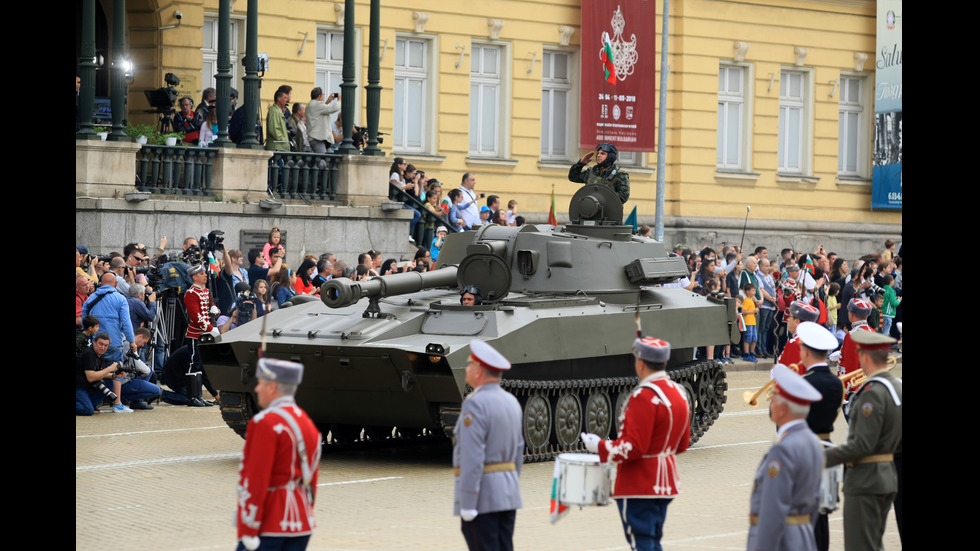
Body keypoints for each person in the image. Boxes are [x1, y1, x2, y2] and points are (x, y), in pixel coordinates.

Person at [581, 336, 690, 551]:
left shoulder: (644, 396)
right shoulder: (678, 392)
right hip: (665, 482)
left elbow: (633, 447)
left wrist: (599, 446)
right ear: (665, 363)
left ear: (640, 363)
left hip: (640, 483)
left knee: (641, 544)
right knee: (652, 542)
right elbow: (682, 444)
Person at [825, 330, 902, 551]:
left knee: (860, 545)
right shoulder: (896, 386)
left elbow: (862, 445)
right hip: (887, 475)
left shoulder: (872, 392)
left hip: (866, 480)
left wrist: (820, 457)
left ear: (865, 357)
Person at [237, 358, 322, 551]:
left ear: (272, 386)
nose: (257, 389)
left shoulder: (265, 423)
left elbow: (256, 478)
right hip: (302, 520)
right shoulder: (307, 422)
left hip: (269, 522)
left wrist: (248, 527)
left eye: (260, 383)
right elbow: (312, 478)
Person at [453, 340, 523, 551]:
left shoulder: (475, 404)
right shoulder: (511, 401)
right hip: (508, 494)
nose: (466, 369)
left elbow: (472, 456)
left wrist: (467, 501)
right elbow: (518, 452)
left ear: (478, 371)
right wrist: (510, 486)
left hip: (483, 497)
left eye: (469, 365)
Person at [746, 364, 824, 551]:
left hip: (782, 541)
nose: (770, 405)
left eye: (773, 400)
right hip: (803, 536)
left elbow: (773, 509)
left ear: (782, 408)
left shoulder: (782, 450)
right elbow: (815, 501)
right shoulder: (813, 442)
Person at [794, 322, 844, 551]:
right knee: (823, 515)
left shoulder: (804, 384)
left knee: (805, 518)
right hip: (827, 449)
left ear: (805, 352)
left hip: (805, 453)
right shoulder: (836, 383)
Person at [82, 272, 137, 365]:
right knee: (116, 374)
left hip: (95, 344)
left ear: (101, 284)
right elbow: (126, 322)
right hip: (114, 343)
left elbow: (84, 322)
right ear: (116, 284)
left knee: (96, 374)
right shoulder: (121, 299)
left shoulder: (90, 298)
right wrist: (131, 341)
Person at [184, 265, 220, 393]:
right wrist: (210, 328)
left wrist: (215, 310)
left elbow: (208, 309)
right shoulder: (191, 293)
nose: (205, 275)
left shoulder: (205, 291)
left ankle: (198, 395)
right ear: (195, 277)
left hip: (205, 334)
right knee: (194, 364)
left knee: (201, 365)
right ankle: (193, 396)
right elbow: (196, 316)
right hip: (196, 334)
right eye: (202, 274)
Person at [833, 298, 874, 399]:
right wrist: (843, 352)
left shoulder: (852, 335)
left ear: (851, 315)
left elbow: (851, 369)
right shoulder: (872, 331)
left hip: (854, 390)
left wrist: (845, 394)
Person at [777, 301, 820, 374]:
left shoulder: (795, 343)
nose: (788, 320)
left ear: (797, 321)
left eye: (789, 316)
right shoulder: (813, 340)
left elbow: (792, 376)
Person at [306, 88, 341, 153]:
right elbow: (333, 108)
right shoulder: (317, 105)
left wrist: (328, 101)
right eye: (323, 95)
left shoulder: (310, 104)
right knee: (323, 160)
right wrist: (339, 100)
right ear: (319, 96)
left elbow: (321, 110)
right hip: (317, 139)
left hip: (318, 138)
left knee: (330, 158)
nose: (324, 96)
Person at [266, 85, 292, 152]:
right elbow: (274, 130)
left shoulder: (278, 111)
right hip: (277, 148)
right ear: (279, 98)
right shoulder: (274, 111)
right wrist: (284, 140)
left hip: (280, 147)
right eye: (285, 97)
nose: (287, 100)